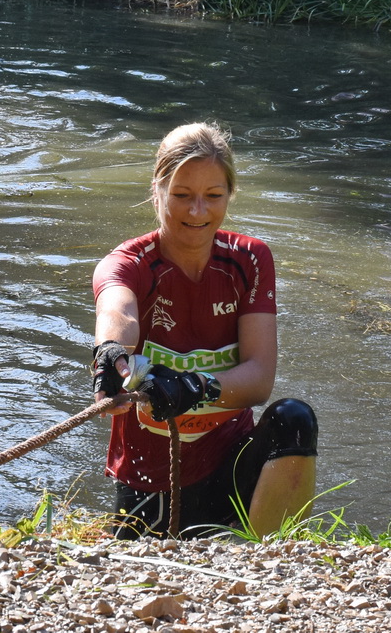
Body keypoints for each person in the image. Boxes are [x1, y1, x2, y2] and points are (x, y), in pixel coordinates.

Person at [90, 122, 318, 538]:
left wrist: (193, 386)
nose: (197, 212)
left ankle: (275, 562)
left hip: (231, 463)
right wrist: (109, 349)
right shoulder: (129, 263)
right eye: (181, 196)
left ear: (230, 195)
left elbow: (259, 379)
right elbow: (116, 309)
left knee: (294, 419)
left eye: (213, 197)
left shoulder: (250, 259)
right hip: (152, 479)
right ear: (156, 190)